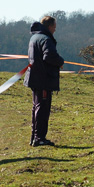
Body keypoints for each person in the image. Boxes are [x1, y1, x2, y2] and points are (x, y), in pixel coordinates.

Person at [24, 16, 65, 146]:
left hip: (35, 77)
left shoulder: (34, 37)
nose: (55, 29)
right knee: (42, 108)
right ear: (49, 27)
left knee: (36, 107)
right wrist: (60, 61)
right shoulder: (46, 39)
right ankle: (39, 137)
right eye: (54, 27)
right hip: (43, 79)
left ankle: (34, 136)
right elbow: (49, 56)